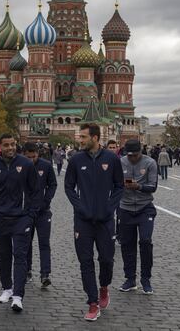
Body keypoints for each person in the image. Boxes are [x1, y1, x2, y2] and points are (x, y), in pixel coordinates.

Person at [65, 123, 123, 322]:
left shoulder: (111, 159)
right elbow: (69, 187)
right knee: (85, 261)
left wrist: (110, 208)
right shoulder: (75, 160)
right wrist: (79, 207)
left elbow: (119, 186)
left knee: (106, 259)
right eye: (79, 137)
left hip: (105, 220)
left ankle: (104, 287)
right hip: (83, 221)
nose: (79, 140)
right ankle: (92, 302)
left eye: (83, 137)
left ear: (95, 138)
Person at [0, 133, 40, 312]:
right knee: (3, 256)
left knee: (20, 256)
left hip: (21, 219)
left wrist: (31, 215)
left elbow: (36, 191)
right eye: (6, 145)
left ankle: (18, 295)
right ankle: (7, 288)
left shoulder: (26, 164)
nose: (10, 148)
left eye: (13, 144)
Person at [119, 139, 158, 295]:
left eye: (135, 155)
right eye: (129, 155)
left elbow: (153, 187)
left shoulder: (150, 163)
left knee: (145, 241)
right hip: (125, 208)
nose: (132, 158)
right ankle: (130, 279)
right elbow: (112, 183)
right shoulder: (121, 162)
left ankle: (146, 279)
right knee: (127, 245)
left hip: (145, 208)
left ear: (140, 152)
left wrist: (138, 186)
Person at [23, 142, 57, 288]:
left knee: (44, 243)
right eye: (28, 157)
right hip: (25, 212)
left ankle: (45, 274)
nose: (31, 160)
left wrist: (46, 201)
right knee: (26, 243)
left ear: (38, 154)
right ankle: (26, 271)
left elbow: (52, 185)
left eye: (34, 157)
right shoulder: (19, 165)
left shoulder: (46, 165)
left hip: (43, 211)